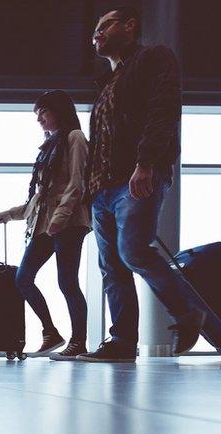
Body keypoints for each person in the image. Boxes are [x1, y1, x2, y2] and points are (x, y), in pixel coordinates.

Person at [76, 6, 204, 363]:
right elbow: (100, 140)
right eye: (94, 30)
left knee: (132, 251)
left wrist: (145, 162)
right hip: (103, 188)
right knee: (111, 266)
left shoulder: (153, 59)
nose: (96, 34)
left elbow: (163, 110)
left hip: (135, 175)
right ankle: (121, 343)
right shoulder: (108, 82)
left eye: (104, 26)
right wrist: (90, 192)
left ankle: (187, 311)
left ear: (130, 26)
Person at [0, 91, 91, 360]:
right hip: (46, 224)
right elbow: (40, 196)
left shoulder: (74, 138)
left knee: (67, 282)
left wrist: (59, 220)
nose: (39, 120)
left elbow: (77, 184)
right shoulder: (50, 146)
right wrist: (10, 214)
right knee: (23, 278)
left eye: (43, 113)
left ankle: (78, 342)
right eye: (37, 115)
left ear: (59, 111)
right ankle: (51, 333)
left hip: (68, 223)